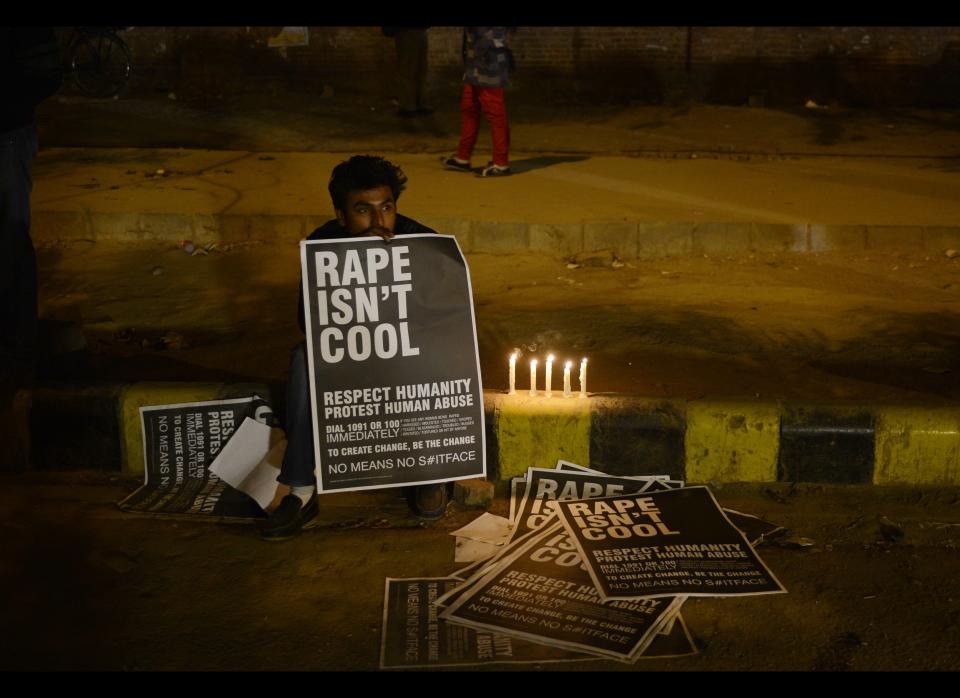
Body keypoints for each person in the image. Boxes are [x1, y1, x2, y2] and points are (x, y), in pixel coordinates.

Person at [261, 155, 449, 541]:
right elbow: (307, 322)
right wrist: (354, 260)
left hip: (408, 353)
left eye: (387, 208)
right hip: (348, 352)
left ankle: (430, 471)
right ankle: (301, 490)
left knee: (443, 353)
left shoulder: (422, 242)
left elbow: (450, 319)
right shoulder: (322, 244)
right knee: (302, 357)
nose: (379, 222)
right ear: (342, 215)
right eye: (364, 211)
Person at [0, 28, 62, 385]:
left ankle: (17, 355)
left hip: (6, 137)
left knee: (9, 244)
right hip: (8, 132)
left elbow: (46, 73)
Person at [443, 27, 515, 178]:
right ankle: (463, 157)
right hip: (475, 63)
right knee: (469, 109)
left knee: (495, 114)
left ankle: (501, 163)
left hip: (490, 63)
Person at [382, 27, 432, 117]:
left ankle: (408, 106)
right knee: (420, 69)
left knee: (406, 70)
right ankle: (421, 103)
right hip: (421, 33)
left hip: (407, 33)